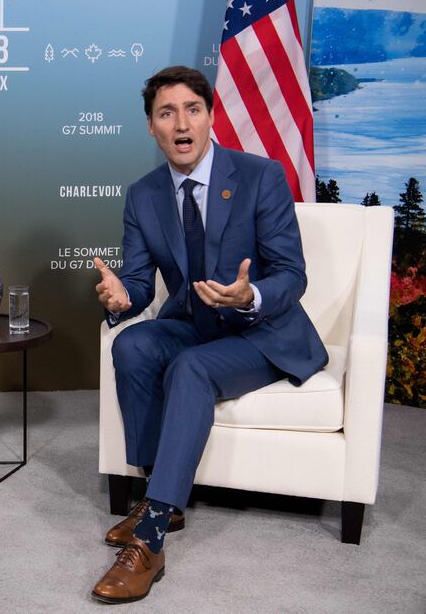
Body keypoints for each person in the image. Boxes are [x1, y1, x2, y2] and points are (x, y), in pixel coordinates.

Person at [90, 66, 327, 604]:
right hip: (194, 325)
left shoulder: (260, 176)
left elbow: (292, 274)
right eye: (166, 113)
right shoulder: (143, 195)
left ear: (210, 117)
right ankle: (163, 501)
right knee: (132, 343)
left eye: (192, 110)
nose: (181, 123)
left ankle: (148, 542)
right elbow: (135, 277)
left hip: (261, 333)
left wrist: (251, 296)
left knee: (190, 368)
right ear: (151, 127)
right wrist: (122, 297)